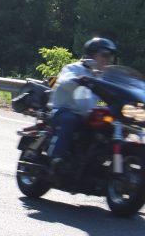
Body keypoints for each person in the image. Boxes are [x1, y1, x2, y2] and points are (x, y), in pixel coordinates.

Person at [48, 37, 117, 171]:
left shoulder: (102, 77)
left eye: (110, 57)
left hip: (86, 116)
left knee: (110, 125)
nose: (107, 60)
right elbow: (64, 81)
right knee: (70, 119)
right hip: (63, 110)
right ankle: (57, 158)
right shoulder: (74, 68)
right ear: (93, 54)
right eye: (104, 55)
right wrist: (77, 80)